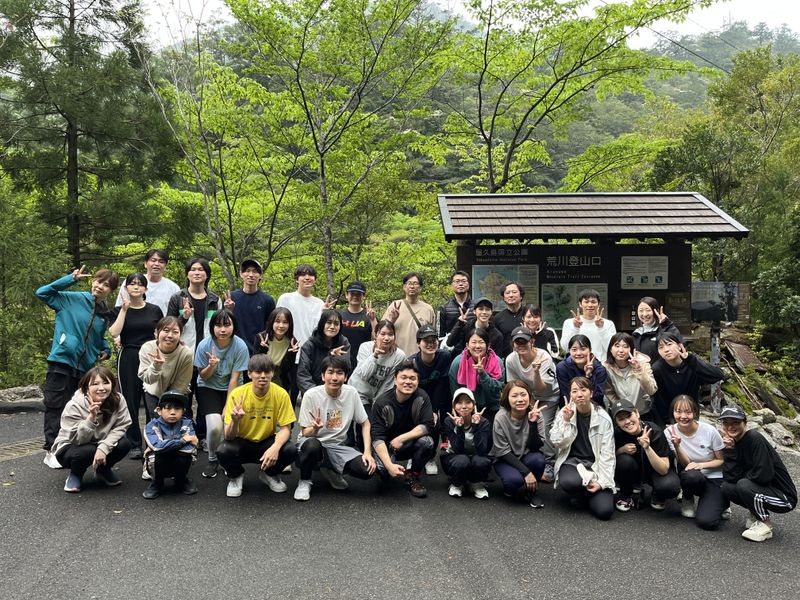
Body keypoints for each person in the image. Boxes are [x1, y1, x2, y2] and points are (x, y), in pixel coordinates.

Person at [37, 265, 118, 467]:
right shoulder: (71, 299)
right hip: (62, 360)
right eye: (98, 281)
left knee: (77, 408)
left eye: (106, 285)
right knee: (55, 406)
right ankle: (52, 449)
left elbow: (99, 337)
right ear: (93, 281)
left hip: (85, 368)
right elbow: (42, 292)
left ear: (110, 290)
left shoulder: (103, 313)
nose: (100, 286)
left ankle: (68, 447)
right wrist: (70, 279)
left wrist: (106, 349)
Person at [294, 356, 376, 501]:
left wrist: (367, 452)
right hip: (311, 443)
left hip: (337, 446)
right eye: (330, 372)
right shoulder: (311, 395)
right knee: (312, 445)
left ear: (345, 377)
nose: (334, 377)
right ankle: (304, 481)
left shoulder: (351, 393)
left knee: (366, 470)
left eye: (339, 373)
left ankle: (330, 469)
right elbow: (305, 432)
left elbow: (365, 423)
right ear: (322, 376)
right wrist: (315, 429)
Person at [215, 354, 298, 497]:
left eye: (267, 372)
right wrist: (235, 421)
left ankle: (269, 474)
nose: (263, 376)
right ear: (249, 374)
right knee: (223, 450)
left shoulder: (281, 394)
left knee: (290, 450)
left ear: (273, 373)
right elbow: (228, 436)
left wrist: (275, 448)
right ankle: (236, 476)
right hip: (242, 442)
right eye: (258, 372)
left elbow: (286, 428)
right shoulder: (238, 394)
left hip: (266, 441)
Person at [719, 404, 797, 542]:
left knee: (743, 484)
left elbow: (764, 475)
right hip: (762, 489)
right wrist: (730, 450)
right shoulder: (733, 443)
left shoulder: (754, 438)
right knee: (726, 487)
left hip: (784, 498)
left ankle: (765, 524)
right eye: (726, 423)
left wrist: (743, 481)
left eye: (735, 422)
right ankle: (755, 512)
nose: (730, 427)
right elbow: (731, 478)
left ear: (745, 423)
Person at [108, 273, 164, 459]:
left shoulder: (154, 310)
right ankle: (134, 443)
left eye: (140, 284)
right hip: (129, 356)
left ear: (145, 289)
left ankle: (152, 440)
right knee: (130, 401)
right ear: (126, 288)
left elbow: (162, 333)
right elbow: (113, 332)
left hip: (150, 356)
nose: (136, 287)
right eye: (132, 284)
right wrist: (124, 310)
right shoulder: (118, 310)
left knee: (152, 398)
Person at [52, 367, 132, 493]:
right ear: (86, 387)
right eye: (95, 384)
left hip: (100, 443)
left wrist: (103, 448)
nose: (101, 388)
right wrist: (91, 418)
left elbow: (122, 426)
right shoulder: (74, 405)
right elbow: (78, 440)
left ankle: (103, 470)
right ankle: (76, 474)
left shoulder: (118, 399)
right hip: (71, 447)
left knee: (124, 443)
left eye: (106, 383)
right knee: (87, 450)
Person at [194, 309, 250, 478]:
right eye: (218, 325)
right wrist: (211, 366)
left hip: (232, 387)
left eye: (227, 325)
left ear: (234, 326)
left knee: (230, 424)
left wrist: (228, 405)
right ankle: (212, 459)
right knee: (214, 426)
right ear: (212, 327)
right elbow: (203, 375)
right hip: (208, 386)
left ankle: (227, 457)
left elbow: (234, 379)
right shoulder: (204, 345)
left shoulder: (240, 346)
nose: (223, 329)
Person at [550, 376, 616, 521]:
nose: (579, 394)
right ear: (570, 395)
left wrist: (601, 483)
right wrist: (566, 421)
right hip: (572, 463)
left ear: (591, 393)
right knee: (570, 482)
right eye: (574, 391)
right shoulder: (564, 413)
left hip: (596, 466)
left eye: (583, 390)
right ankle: (580, 493)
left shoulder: (603, 418)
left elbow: (607, 455)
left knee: (604, 511)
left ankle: (588, 493)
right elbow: (557, 442)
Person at [370, 361, 436, 498]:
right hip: (387, 446)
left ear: (418, 381)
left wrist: (401, 438)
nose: (408, 382)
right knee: (384, 472)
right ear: (395, 380)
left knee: (427, 442)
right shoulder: (382, 403)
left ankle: (413, 476)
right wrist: (389, 465)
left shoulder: (422, 396)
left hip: (408, 443)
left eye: (412, 378)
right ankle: (385, 470)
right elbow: (377, 438)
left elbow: (428, 425)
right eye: (403, 377)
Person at [505, 326, 559, 483]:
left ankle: (549, 463)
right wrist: (526, 401)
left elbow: (542, 388)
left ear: (532, 342)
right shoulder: (511, 359)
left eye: (524, 342)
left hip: (548, 397)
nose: (521, 345)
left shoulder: (544, 357)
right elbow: (513, 385)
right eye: (517, 342)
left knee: (543, 425)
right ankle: (517, 457)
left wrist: (536, 371)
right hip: (527, 396)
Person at [666, 395, 729, 530]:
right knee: (690, 475)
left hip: (714, 476)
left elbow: (722, 460)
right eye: (678, 412)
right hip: (694, 475)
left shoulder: (709, 431)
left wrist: (701, 465)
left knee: (707, 522)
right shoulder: (670, 432)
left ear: (695, 412)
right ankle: (687, 498)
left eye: (688, 412)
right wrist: (677, 446)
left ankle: (721, 502)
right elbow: (685, 464)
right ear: (673, 412)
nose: (683, 416)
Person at [610, 399, 680, 513]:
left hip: (655, 471)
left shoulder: (655, 431)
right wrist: (621, 450)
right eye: (621, 419)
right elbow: (609, 459)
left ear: (637, 413)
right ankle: (626, 494)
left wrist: (647, 448)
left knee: (670, 486)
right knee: (623, 461)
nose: (627, 421)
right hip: (633, 471)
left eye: (629, 415)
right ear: (616, 423)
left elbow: (663, 469)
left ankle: (658, 494)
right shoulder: (616, 433)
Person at [490, 381, 546, 507]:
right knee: (513, 481)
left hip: (527, 455)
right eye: (514, 396)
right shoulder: (500, 417)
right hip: (505, 458)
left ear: (529, 396)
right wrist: (527, 472)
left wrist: (532, 423)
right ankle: (511, 488)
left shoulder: (536, 413)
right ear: (507, 398)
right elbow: (502, 451)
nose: (520, 399)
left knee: (538, 460)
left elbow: (536, 447)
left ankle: (531, 492)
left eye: (523, 395)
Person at [651, 332, 725, 425]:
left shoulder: (691, 363)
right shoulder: (657, 369)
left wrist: (690, 360)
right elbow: (657, 400)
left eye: (669, 344)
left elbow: (718, 375)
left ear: (679, 346)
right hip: (668, 419)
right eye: (661, 347)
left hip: (691, 414)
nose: (666, 350)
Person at [410, 324, 452, 474]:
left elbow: (442, 384)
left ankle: (430, 457)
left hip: (440, 396)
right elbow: (412, 389)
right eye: (425, 341)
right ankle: (412, 455)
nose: (430, 344)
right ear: (418, 343)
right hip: (419, 397)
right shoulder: (412, 362)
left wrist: (434, 410)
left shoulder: (444, 356)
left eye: (433, 340)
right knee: (415, 423)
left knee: (436, 423)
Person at [142, 390, 198, 499]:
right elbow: (157, 447)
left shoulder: (187, 423)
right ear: (159, 410)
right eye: (168, 408)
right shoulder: (152, 425)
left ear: (183, 411)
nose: (172, 412)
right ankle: (157, 483)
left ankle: (181, 480)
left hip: (179, 459)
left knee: (185, 456)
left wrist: (164, 445)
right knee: (158, 456)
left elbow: (190, 448)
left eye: (177, 408)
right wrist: (182, 441)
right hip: (159, 461)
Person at [441, 388, 491, 499]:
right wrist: (459, 428)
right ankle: (456, 483)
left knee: (481, 461)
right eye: (459, 403)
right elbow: (457, 449)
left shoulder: (483, 422)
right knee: (462, 460)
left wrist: (476, 426)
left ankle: (477, 484)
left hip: (476, 456)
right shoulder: (449, 421)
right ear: (454, 406)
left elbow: (482, 450)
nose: (464, 406)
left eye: (468, 402)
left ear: (474, 405)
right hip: (455, 457)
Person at [166, 257, 221, 355]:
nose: (197, 273)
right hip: (182, 351)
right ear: (187, 274)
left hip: (208, 351)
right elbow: (168, 327)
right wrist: (184, 317)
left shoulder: (215, 300)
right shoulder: (177, 298)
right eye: (193, 270)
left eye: (201, 270)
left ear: (207, 275)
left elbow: (220, 328)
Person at [449, 328, 505, 422]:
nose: (477, 346)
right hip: (467, 410)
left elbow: (497, 389)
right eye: (474, 342)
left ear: (488, 345)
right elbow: (455, 392)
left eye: (481, 342)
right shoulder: (458, 363)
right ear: (467, 345)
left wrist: (483, 374)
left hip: (491, 407)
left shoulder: (497, 362)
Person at [223, 259, 275, 356]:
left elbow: (271, 328)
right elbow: (223, 325)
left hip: (259, 351)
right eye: (247, 271)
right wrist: (228, 310)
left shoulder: (267, 300)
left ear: (260, 275)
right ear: (241, 274)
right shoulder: (231, 298)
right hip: (235, 350)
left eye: (255, 271)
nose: (251, 275)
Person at [349, 320, 406, 408]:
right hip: (355, 392)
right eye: (382, 334)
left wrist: (378, 404)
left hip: (373, 398)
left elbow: (388, 383)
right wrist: (374, 356)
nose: (386, 338)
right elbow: (364, 375)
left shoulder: (399, 355)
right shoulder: (365, 347)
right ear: (376, 335)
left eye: (390, 334)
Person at [297, 309, 351, 397]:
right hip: (312, 393)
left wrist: (334, 358)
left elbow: (345, 370)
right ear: (322, 324)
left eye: (336, 324)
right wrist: (317, 395)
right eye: (329, 322)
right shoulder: (309, 345)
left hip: (336, 392)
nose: (332, 327)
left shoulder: (343, 343)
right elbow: (303, 374)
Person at [275, 264, 325, 361]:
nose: (307, 278)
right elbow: (276, 325)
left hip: (312, 356)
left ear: (315, 279)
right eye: (303, 275)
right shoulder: (286, 299)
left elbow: (321, 332)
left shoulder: (320, 304)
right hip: (288, 353)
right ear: (296, 279)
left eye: (310, 275)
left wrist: (327, 313)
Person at [603, 332, 657, 418]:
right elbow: (610, 393)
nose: (621, 350)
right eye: (617, 346)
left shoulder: (642, 363)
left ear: (631, 349)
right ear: (610, 349)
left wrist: (638, 369)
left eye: (625, 346)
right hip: (621, 413)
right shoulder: (606, 368)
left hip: (643, 412)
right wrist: (621, 408)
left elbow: (651, 390)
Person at [383, 272, 436, 356]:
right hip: (396, 356)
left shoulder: (428, 309)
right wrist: (392, 320)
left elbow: (433, 336)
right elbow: (381, 331)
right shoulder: (395, 306)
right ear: (404, 287)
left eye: (415, 283)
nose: (412, 286)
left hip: (420, 357)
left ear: (420, 288)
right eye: (409, 283)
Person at [116, 249, 180, 315]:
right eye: (153, 260)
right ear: (145, 264)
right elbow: (119, 307)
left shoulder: (173, 288)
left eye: (161, 262)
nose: (157, 264)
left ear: (165, 266)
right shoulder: (131, 282)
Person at [560, 288, 616, 362]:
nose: (590, 305)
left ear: (598, 304)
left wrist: (601, 328)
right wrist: (575, 328)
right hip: (577, 365)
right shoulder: (569, 323)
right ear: (580, 304)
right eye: (586, 302)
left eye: (593, 302)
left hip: (601, 365)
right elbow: (565, 347)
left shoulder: (608, 324)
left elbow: (613, 349)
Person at [255, 307, 299, 395]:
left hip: (280, 375)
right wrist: (263, 349)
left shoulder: (292, 342)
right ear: (271, 322)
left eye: (285, 322)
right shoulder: (262, 337)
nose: (281, 325)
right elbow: (255, 362)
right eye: (277, 321)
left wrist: (291, 354)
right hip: (262, 371)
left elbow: (287, 369)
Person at [556, 334, 607, 406]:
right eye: (574, 350)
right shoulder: (562, 367)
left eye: (582, 349)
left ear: (590, 350)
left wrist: (589, 376)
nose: (578, 353)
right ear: (569, 351)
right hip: (570, 407)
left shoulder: (599, 369)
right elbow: (566, 395)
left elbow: (598, 397)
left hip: (593, 406)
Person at [338, 280, 377, 370]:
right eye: (352, 294)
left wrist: (373, 320)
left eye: (358, 294)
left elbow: (376, 337)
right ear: (346, 295)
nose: (355, 297)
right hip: (340, 361)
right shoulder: (339, 315)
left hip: (362, 361)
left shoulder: (369, 316)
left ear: (364, 296)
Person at [633, 296, 683, 363]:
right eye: (641, 311)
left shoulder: (664, 329)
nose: (644, 314)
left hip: (662, 369)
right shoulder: (636, 334)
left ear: (657, 311)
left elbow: (678, 344)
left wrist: (667, 324)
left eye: (648, 310)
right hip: (643, 369)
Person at [493, 281, 526, 357]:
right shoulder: (498, 318)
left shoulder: (529, 315)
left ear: (521, 296)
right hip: (506, 359)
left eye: (514, 292)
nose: (511, 295)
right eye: (507, 293)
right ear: (504, 298)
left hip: (528, 358)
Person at [438, 271, 474, 339]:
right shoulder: (444, 308)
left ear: (468, 285)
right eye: (457, 281)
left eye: (463, 281)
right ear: (452, 285)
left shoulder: (476, 307)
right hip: (451, 345)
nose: (460, 284)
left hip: (472, 344)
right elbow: (440, 335)